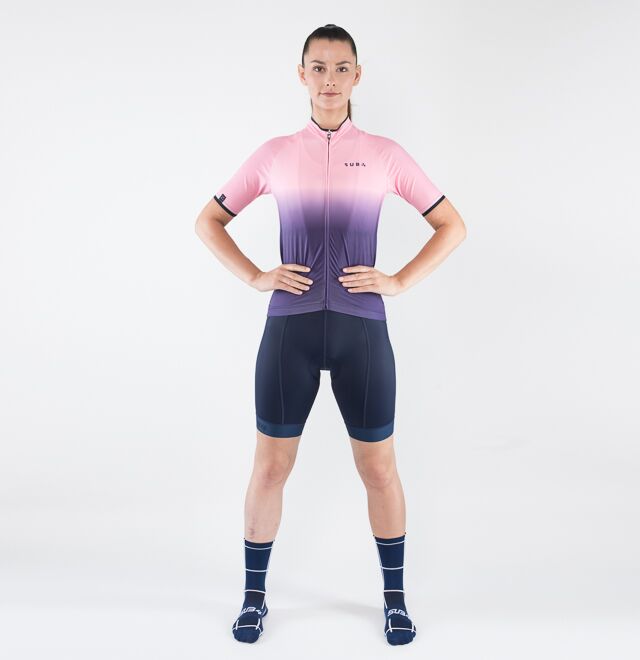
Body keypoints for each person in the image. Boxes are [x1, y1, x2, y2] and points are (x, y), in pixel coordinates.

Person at [195, 24, 466, 646]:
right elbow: (209, 220)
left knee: (379, 469)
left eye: (341, 68)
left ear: (357, 76)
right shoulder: (274, 153)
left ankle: (395, 601)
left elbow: (451, 225)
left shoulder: (385, 154)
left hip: (360, 329)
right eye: (317, 68)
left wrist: (398, 280)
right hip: (289, 328)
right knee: (270, 468)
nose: (329, 80)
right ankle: (253, 599)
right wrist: (256, 275)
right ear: (301, 75)